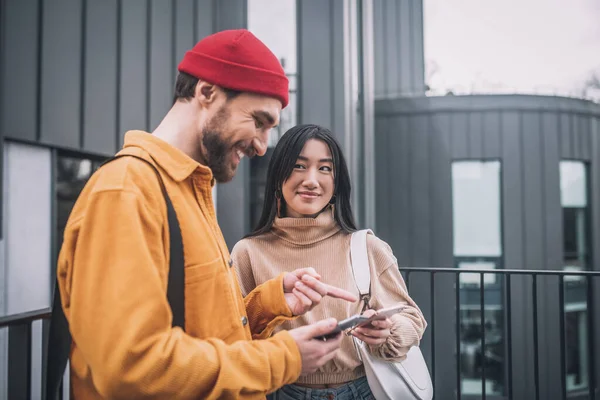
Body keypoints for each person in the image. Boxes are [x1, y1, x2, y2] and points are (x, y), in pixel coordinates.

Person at [55, 30, 358, 399]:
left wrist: (271, 303)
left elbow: (200, 328)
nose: (263, 147)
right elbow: (131, 367)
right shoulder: (125, 192)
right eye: (258, 121)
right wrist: (284, 356)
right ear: (206, 92)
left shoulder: (188, 188)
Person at [232, 124, 427, 400]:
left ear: (337, 183)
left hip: (362, 390)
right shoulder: (248, 253)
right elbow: (232, 332)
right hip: (279, 391)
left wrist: (388, 331)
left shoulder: (365, 246)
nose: (312, 180)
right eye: (299, 166)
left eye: (325, 169)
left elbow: (412, 317)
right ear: (278, 176)